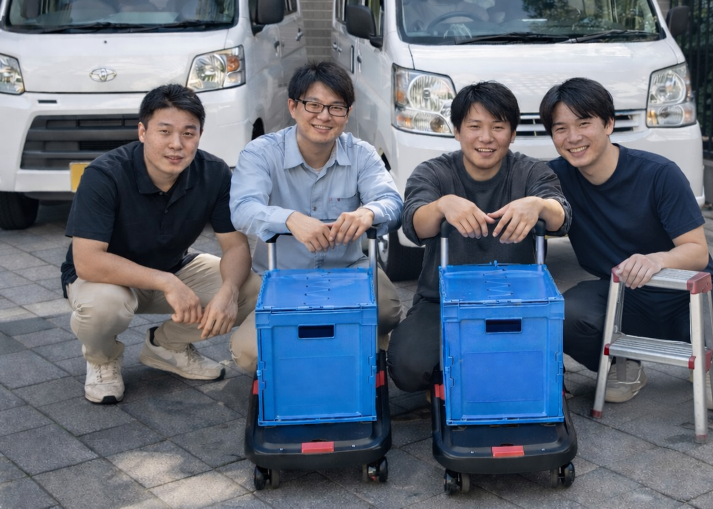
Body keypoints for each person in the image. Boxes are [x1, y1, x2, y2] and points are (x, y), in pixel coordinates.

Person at [539, 77, 713, 407]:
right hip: (623, 295)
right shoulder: (554, 178)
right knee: (562, 316)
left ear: (609, 124)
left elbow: (697, 251)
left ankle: (712, 364)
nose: (573, 137)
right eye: (560, 128)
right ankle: (625, 365)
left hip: (685, 292)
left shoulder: (658, 174)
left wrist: (657, 260)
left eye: (584, 123)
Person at [61, 84, 261, 404]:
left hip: (173, 267)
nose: (176, 144)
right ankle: (102, 360)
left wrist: (228, 292)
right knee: (104, 306)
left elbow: (235, 246)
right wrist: (167, 282)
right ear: (142, 132)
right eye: (164, 131)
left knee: (251, 289)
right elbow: (87, 261)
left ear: (200, 135)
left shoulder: (214, 173)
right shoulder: (104, 174)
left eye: (188, 133)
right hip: (106, 278)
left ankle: (166, 346)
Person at [388, 81, 571, 392]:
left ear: (512, 133)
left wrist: (538, 205)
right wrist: (442, 205)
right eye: (474, 126)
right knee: (407, 368)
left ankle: (475, 377)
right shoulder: (433, 172)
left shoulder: (531, 172)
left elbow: (562, 216)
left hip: (516, 301)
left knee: (531, 373)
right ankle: (459, 377)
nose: (486, 138)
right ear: (457, 131)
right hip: (441, 301)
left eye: (498, 127)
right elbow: (413, 224)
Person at [228, 61, 403, 373]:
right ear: (293, 107)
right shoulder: (261, 152)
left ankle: (352, 344)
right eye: (314, 105)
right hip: (280, 277)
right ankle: (336, 347)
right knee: (249, 356)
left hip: (347, 271)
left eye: (336, 107)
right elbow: (242, 209)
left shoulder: (361, 153)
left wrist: (368, 212)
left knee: (388, 311)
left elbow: (392, 202)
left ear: (348, 113)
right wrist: (289, 219)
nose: (324, 116)